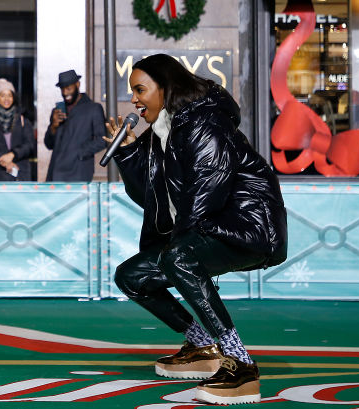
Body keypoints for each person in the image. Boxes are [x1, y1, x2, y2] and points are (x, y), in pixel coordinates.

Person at [105, 54, 287, 405]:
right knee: (131, 276)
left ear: (165, 87)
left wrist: (175, 252)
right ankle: (202, 346)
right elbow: (150, 197)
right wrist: (127, 154)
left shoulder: (205, 123)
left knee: (178, 258)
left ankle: (240, 364)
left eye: (140, 90)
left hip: (248, 228)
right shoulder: (162, 130)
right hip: (206, 227)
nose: (133, 100)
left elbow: (207, 191)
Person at [44, 70, 107, 181]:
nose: (65, 93)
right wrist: (53, 126)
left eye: (68, 88)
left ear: (77, 84)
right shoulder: (57, 110)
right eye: (62, 89)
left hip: (78, 173)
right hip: (55, 174)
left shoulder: (93, 108)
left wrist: (79, 153)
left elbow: (103, 139)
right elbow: (49, 144)